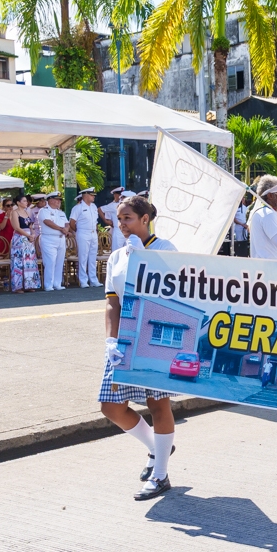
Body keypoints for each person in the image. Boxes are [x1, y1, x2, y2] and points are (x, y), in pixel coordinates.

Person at [98, 195, 181, 501]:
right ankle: (157, 446)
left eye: (128, 218)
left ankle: (160, 474)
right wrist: (111, 340)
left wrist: (144, 258)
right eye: (119, 219)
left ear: (145, 219)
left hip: (155, 333)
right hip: (124, 338)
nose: (122, 225)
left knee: (157, 403)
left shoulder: (165, 249)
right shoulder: (117, 255)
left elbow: (172, 294)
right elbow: (112, 302)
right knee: (111, 406)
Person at [4, 195, 42, 292]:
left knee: (29, 261)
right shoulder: (14, 212)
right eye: (24, 201)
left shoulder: (26, 212)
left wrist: (32, 234)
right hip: (19, 239)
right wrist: (28, 235)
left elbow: (30, 225)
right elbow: (17, 227)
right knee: (19, 262)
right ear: (18, 202)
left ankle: (30, 284)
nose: (26, 203)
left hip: (29, 239)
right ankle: (18, 286)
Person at [69, 188, 101, 287]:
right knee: (83, 257)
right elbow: (72, 223)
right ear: (85, 195)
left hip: (93, 233)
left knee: (92, 257)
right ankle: (83, 280)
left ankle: (93, 279)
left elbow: (95, 222)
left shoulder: (94, 206)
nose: (94, 196)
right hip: (83, 233)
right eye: (92, 195)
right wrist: (79, 230)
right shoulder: (78, 208)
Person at [38, 193, 70, 291]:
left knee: (59, 262)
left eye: (60, 200)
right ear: (50, 200)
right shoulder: (44, 211)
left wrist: (66, 229)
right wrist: (61, 229)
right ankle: (48, 284)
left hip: (61, 238)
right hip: (49, 238)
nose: (59, 201)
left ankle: (57, 283)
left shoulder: (60, 212)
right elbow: (47, 222)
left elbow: (67, 223)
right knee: (50, 262)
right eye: (57, 199)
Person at [100, 187, 126, 254]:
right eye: (119, 194)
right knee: (116, 252)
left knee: (127, 252)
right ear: (115, 195)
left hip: (127, 231)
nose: (121, 196)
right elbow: (100, 210)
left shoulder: (126, 205)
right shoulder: (112, 205)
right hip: (117, 230)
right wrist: (106, 221)